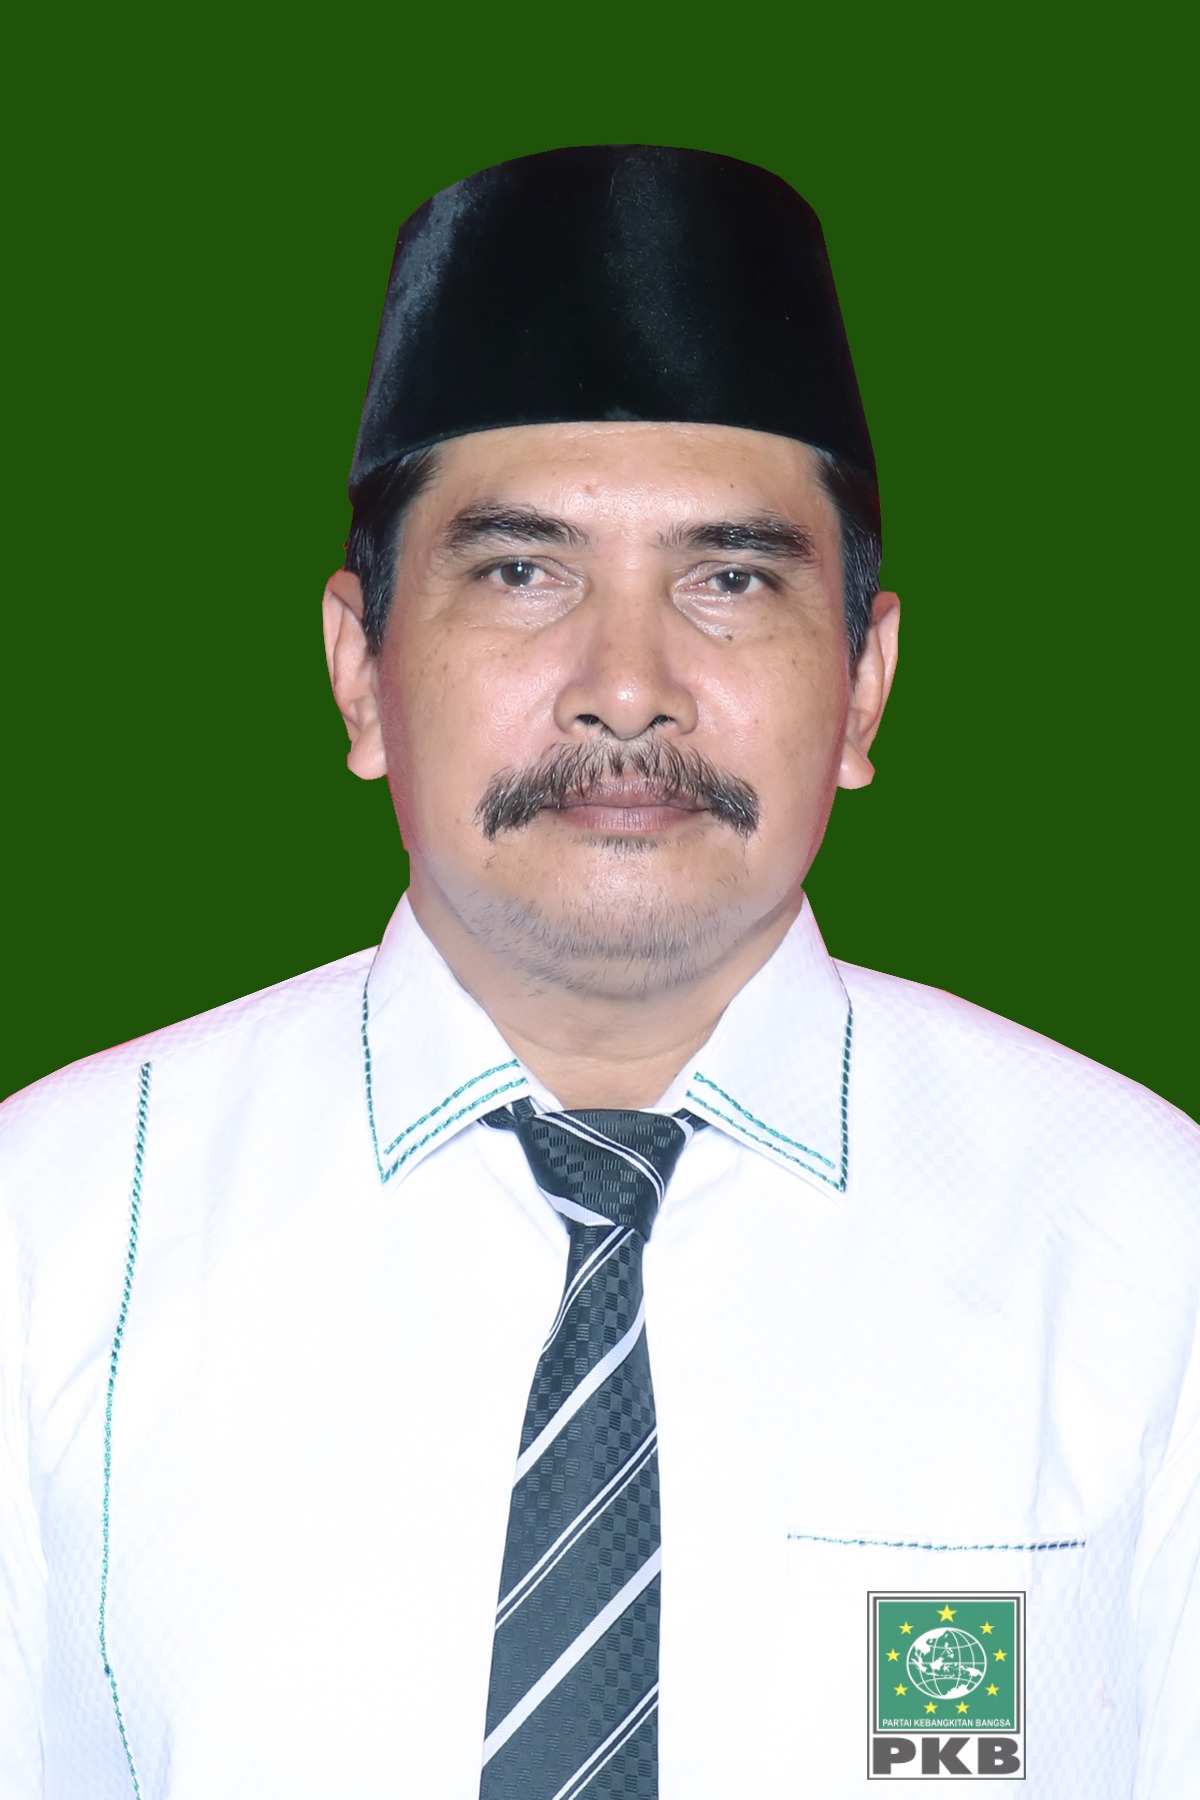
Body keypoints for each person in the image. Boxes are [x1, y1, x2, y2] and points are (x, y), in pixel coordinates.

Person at [1, 145, 1195, 1800]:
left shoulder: (1145, 1240)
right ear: (359, 670)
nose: (628, 688)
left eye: (730, 580)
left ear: (864, 685)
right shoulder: (55, 1231)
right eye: (522, 572)